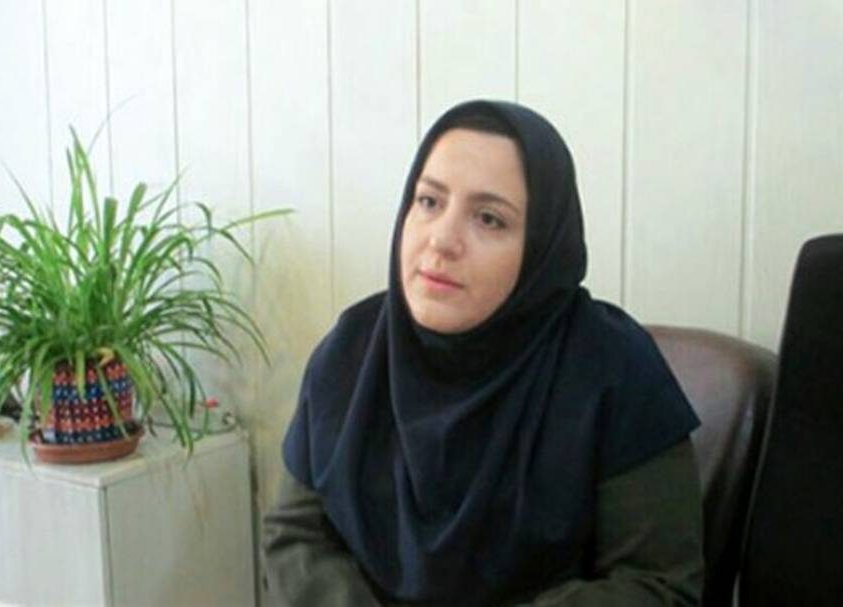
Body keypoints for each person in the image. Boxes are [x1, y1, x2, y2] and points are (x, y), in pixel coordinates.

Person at [264, 100, 704, 606]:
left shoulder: (613, 368)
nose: (442, 240)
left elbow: (658, 585)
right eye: (429, 201)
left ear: (542, 244)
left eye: (489, 219)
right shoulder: (352, 349)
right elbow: (296, 535)